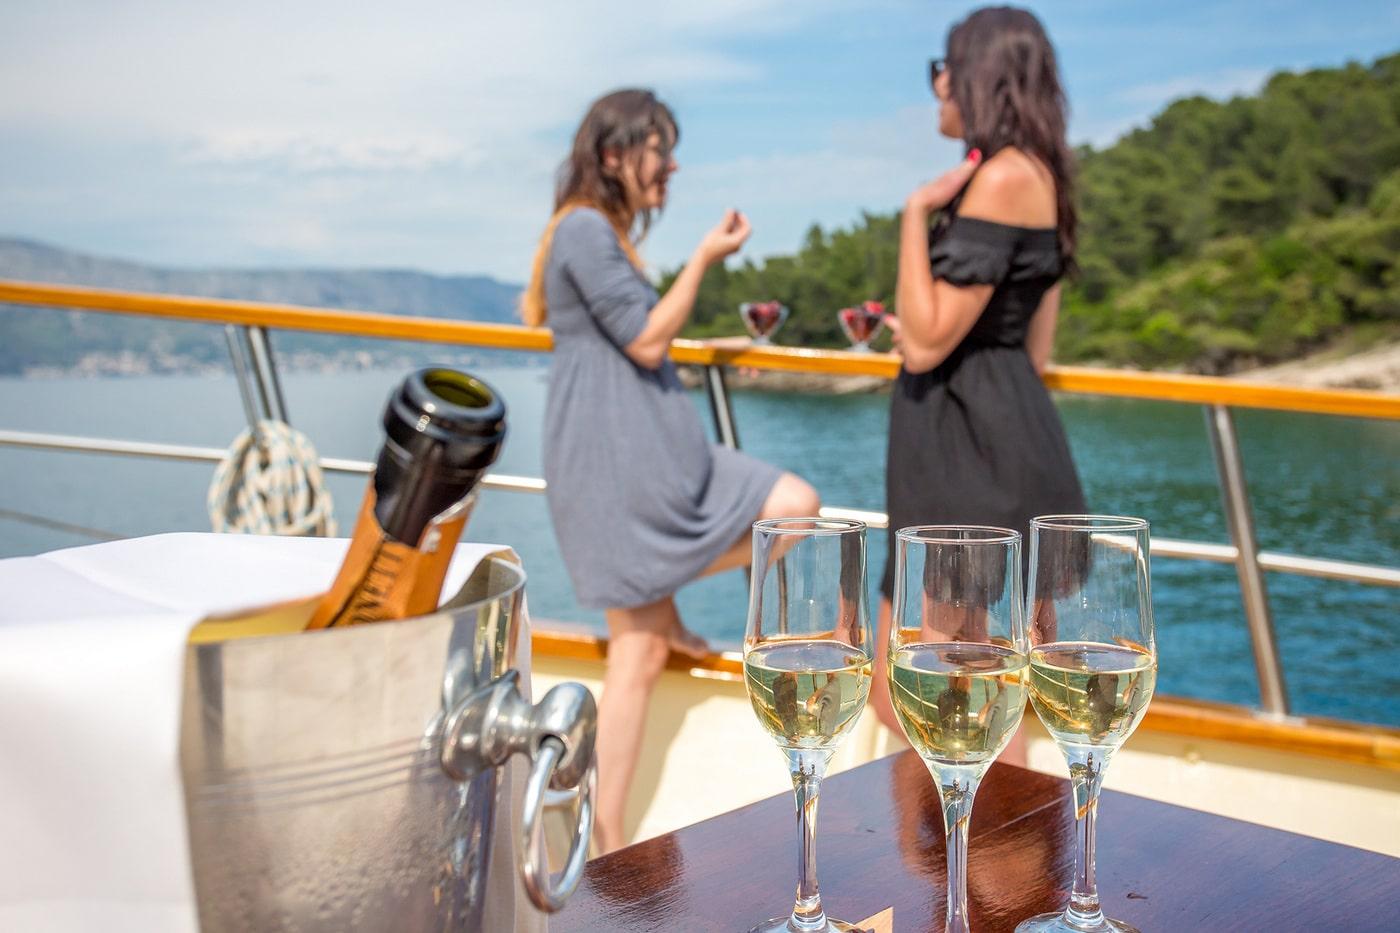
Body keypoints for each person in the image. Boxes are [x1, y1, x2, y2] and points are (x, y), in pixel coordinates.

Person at [522, 89, 820, 853]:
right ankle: (605, 839)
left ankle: (602, 840)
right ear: (616, 156)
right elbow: (648, 339)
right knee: (647, 643)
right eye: (661, 148)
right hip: (615, 460)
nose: (673, 164)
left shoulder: (595, 230)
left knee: (646, 643)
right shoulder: (586, 230)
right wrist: (704, 259)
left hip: (638, 455)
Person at [872, 7, 1087, 738]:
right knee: (965, 708)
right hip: (996, 436)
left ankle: (979, 855)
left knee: (939, 707)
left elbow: (927, 343)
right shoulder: (1040, 174)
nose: (937, 86)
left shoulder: (998, 179)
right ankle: (972, 855)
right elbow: (1033, 348)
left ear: (982, 76)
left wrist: (911, 215)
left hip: (967, 459)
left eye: (945, 67)